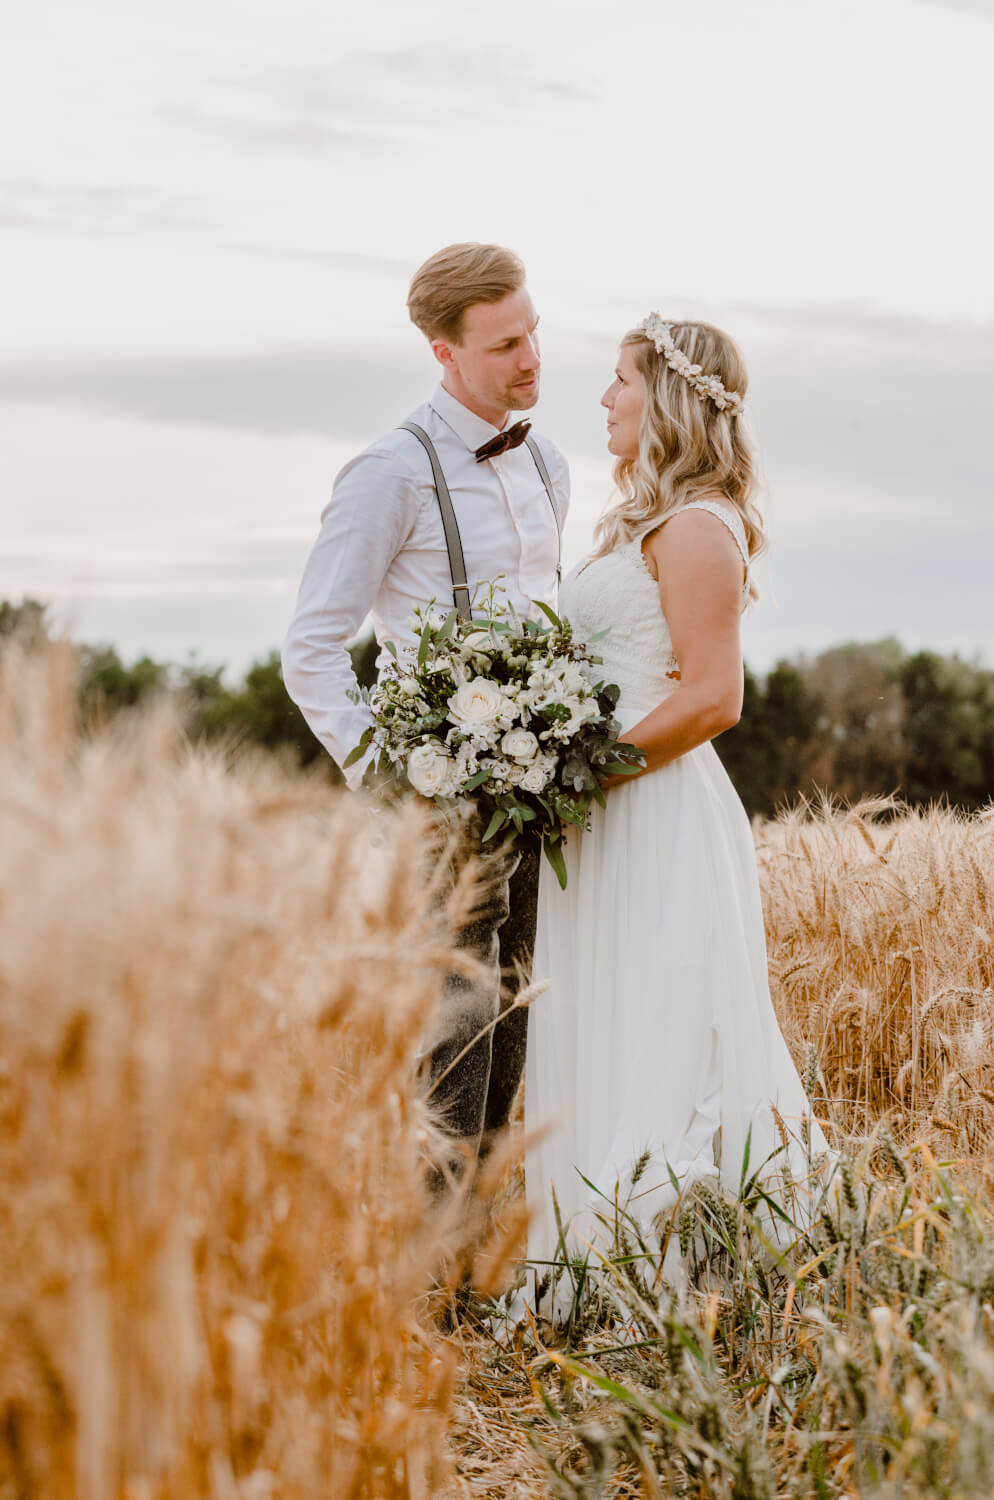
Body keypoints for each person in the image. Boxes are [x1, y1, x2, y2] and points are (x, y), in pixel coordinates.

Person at [522, 314, 827, 1317]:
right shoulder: (639, 523)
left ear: (670, 400)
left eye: (618, 381)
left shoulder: (697, 525)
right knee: (596, 1016)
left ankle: (673, 1272)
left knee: (657, 1023)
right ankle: (587, 1267)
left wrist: (576, 774)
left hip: (649, 810)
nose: (603, 400)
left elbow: (711, 700)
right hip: (603, 812)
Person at [282, 242, 569, 1175]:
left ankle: (476, 1272)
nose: (530, 359)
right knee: (453, 1036)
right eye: (503, 346)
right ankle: (429, 1276)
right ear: (444, 353)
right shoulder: (388, 475)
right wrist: (394, 774)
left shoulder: (548, 465)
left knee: (519, 1010)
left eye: (532, 334)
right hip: (441, 805)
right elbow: (312, 648)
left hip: (542, 792)